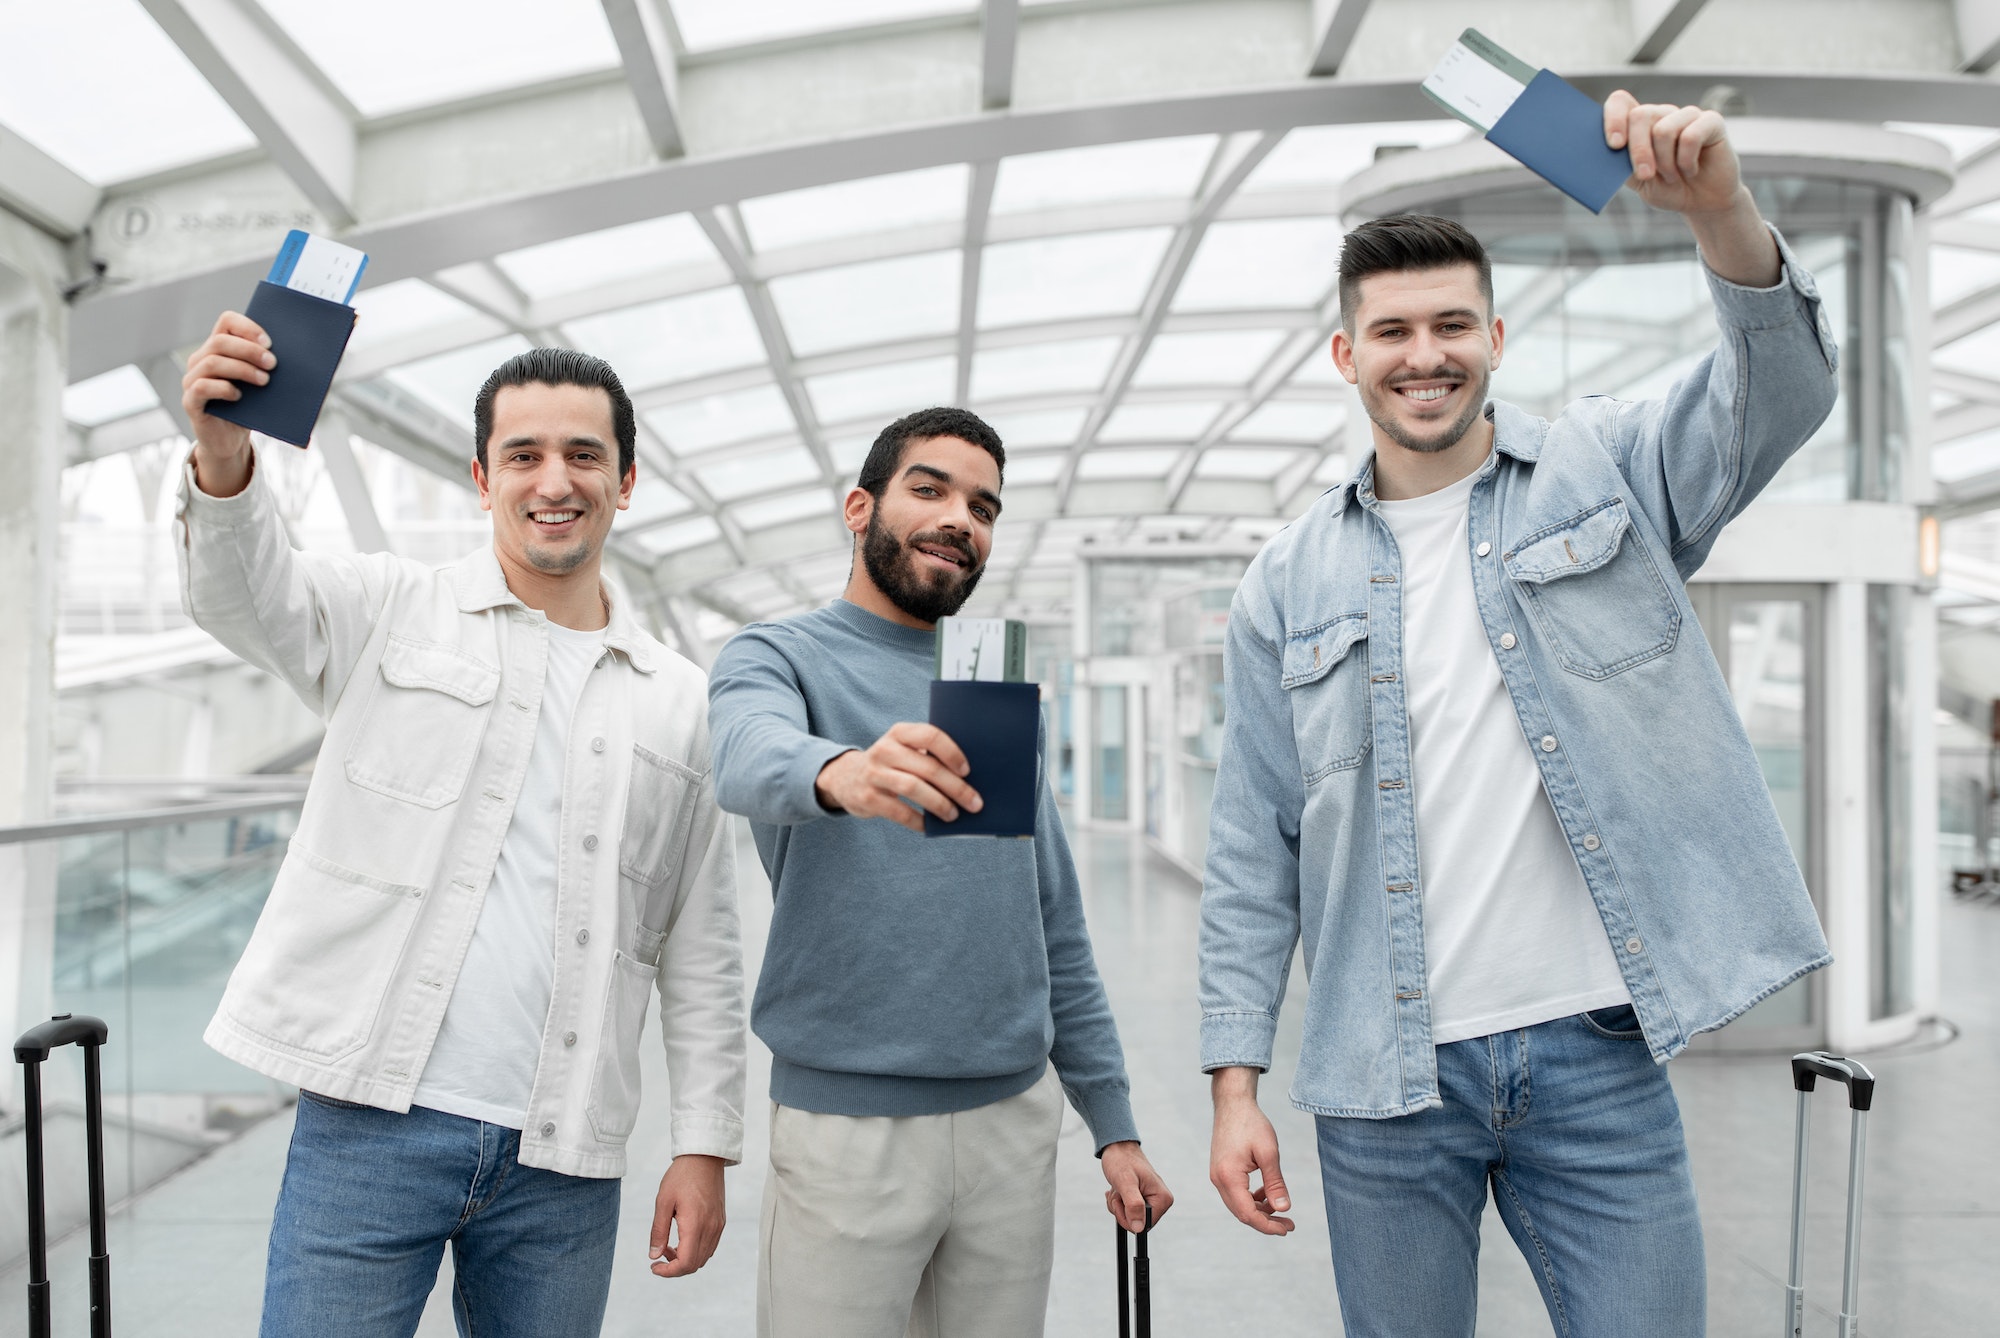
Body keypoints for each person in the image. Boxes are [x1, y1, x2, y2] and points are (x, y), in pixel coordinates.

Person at [1199, 93, 1838, 1336]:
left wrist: (1721, 214)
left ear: (1494, 336)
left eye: (1449, 324)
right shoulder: (1284, 583)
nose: (1421, 353)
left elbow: (1779, 399)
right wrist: (1234, 1089)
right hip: (1381, 1078)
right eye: (1389, 331)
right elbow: (1248, 847)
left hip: (1596, 1055)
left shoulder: (1608, 470)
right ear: (1345, 356)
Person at [176, 317, 748, 1338]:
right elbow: (245, 595)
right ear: (482, 477)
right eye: (522, 455)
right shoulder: (390, 608)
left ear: (626, 480)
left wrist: (702, 1144)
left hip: (562, 1156)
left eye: (583, 455)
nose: (553, 481)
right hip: (367, 1129)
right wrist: (225, 455)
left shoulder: (680, 700)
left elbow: (699, 945)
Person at [706, 406, 1172, 1337]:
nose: (962, 516)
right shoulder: (778, 656)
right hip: (848, 1133)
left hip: (1011, 1126)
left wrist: (1112, 1123)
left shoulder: (988, 694)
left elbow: (1051, 921)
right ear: (859, 507)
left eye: (984, 506)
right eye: (930, 489)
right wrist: (843, 772)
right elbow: (745, 755)